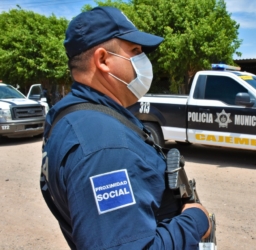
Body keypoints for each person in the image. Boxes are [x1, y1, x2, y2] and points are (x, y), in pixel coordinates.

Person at [40, 6, 211, 250]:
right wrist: (196, 220)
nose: (144, 61)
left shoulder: (68, 115)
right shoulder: (105, 145)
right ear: (103, 60)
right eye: (135, 51)